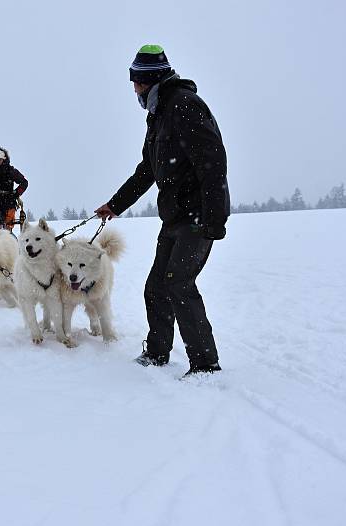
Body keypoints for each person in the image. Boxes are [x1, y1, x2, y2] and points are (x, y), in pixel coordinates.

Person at [95, 45, 230, 379]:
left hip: (196, 216)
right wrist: (115, 205)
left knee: (179, 283)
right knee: (156, 287)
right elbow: (148, 170)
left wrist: (214, 219)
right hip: (174, 217)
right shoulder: (159, 115)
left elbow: (212, 164)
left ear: (151, 79)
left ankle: (205, 363)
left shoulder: (184, 105)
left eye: (137, 82)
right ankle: (157, 354)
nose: (134, 89)